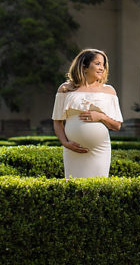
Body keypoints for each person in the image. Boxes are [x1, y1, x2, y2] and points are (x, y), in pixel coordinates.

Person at [52, 48, 123, 178]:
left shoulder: (109, 91)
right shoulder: (65, 89)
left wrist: (100, 116)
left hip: (100, 150)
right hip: (73, 149)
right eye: (97, 63)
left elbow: (117, 125)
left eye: (103, 64)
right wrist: (65, 143)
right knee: (74, 188)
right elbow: (57, 122)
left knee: (98, 188)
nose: (102, 68)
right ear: (84, 66)